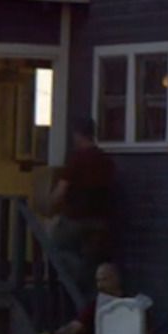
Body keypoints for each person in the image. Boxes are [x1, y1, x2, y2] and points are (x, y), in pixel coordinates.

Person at [50, 117, 116, 300]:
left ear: (78, 135)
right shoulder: (106, 161)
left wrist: (48, 205)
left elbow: (60, 192)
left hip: (77, 219)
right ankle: (89, 284)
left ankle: (78, 277)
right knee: (93, 257)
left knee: (54, 246)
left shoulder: (78, 161)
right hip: (102, 222)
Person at [54, 262, 123, 334]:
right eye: (98, 281)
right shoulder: (93, 307)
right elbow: (76, 326)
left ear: (116, 279)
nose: (100, 286)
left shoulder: (130, 304)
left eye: (104, 280)